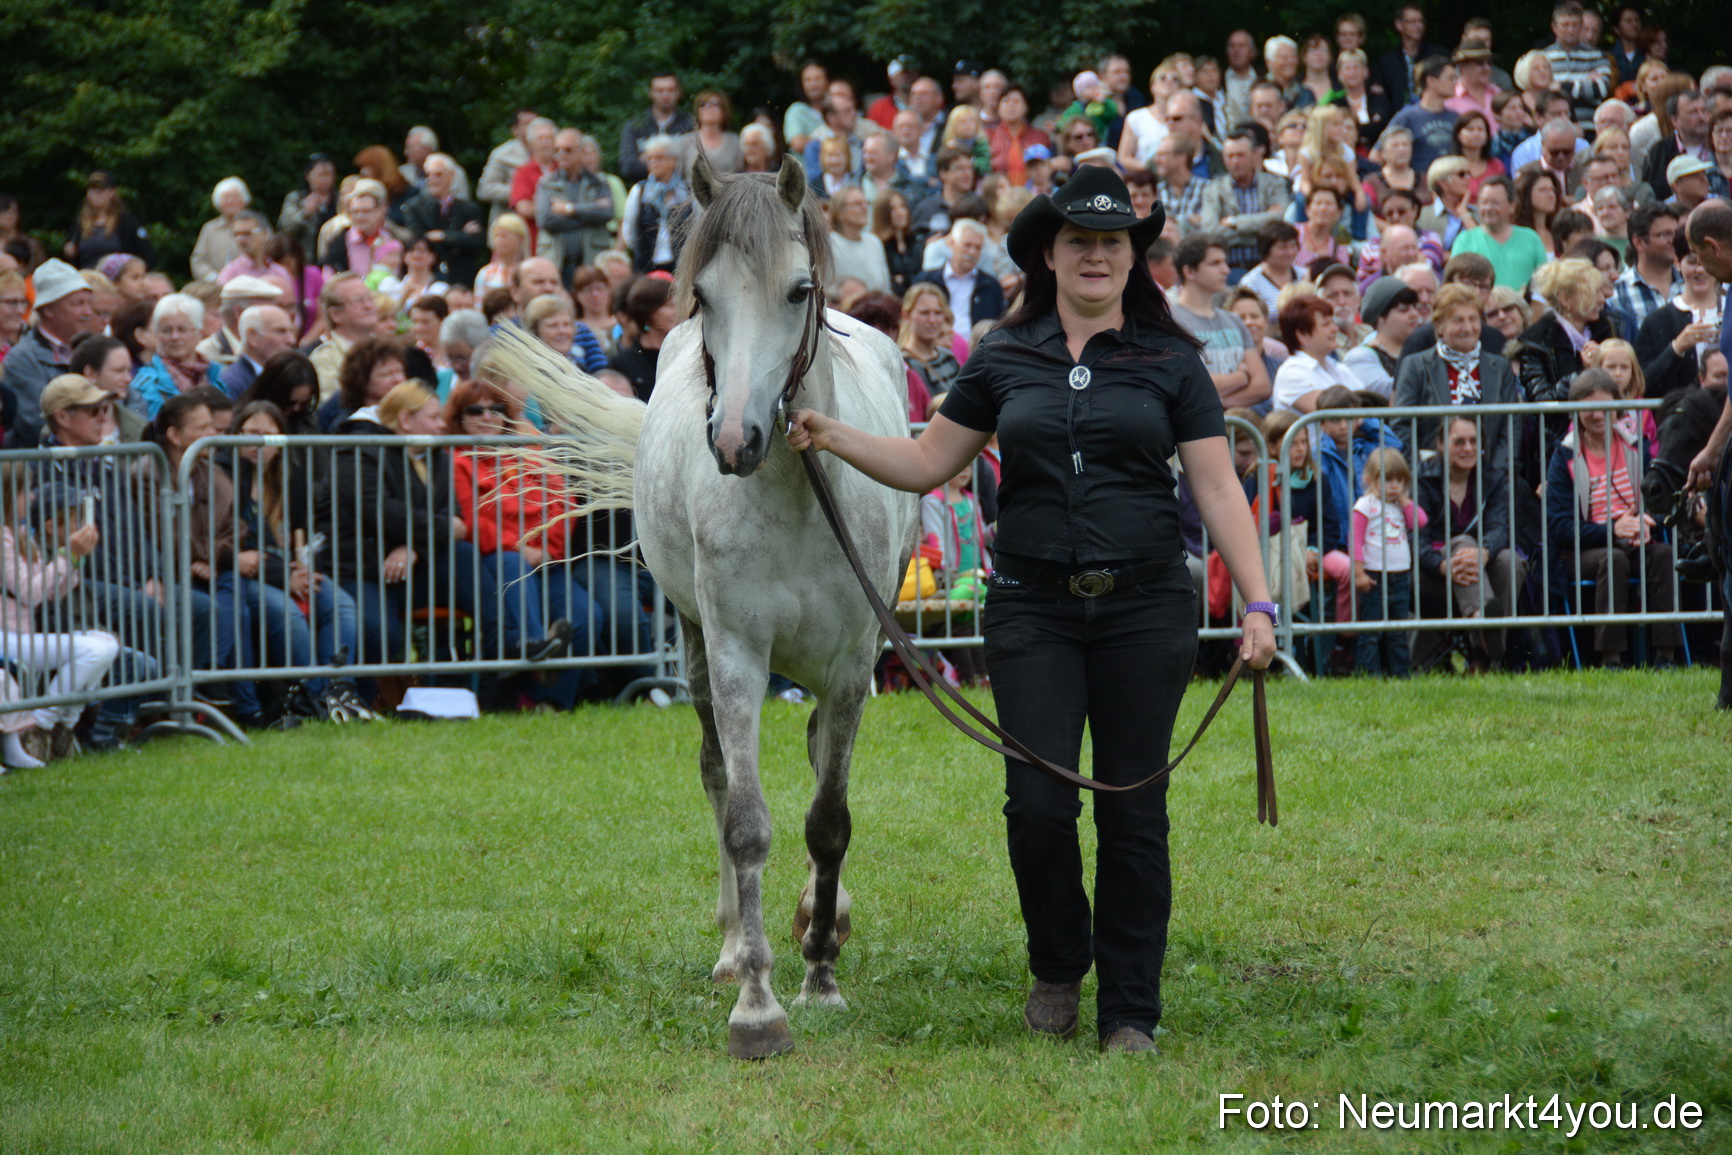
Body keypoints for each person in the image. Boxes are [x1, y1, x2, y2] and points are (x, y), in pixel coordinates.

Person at [787, 165, 1274, 1055]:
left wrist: (1258, 600)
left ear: (1133, 257)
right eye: (1078, 241)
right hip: (1031, 610)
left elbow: (1215, 483)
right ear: (1047, 255)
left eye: (1113, 241)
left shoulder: (1171, 361)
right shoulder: (1004, 356)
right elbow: (928, 458)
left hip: (1146, 607)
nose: (1096, 254)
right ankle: (1058, 964)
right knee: (1037, 805)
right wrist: (832, 434)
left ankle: (1131, 1009)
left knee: (1135, 810)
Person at [325, 378, 568, 668]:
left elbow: (454, 519)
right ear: (405, 419)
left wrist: (414, 547)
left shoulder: (437, 458)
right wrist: (427, 535)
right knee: (380, 633)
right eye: (433, 418)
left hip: (413, 566)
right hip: (365, 568)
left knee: (462, 555)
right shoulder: (360, 450)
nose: (441, 426)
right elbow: (381, 512)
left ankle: (507, 644)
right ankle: (359, 698)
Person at [1545, 369, 1682, 666]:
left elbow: (1661, 504)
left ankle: (1666, 656)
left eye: (1604, 407)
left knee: (1662, 554)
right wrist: (1611, 529)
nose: (1597, 415)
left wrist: (1649, 523)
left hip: (1632, 540)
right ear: (1575, 411)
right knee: (1613, 558)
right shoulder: (1563, 456)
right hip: (1581, 550)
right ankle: (1612, 659)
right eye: (1587, 408)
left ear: (1617, 409)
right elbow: (1560, 527)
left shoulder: (1637, 447)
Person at [0, 460, 122, 767]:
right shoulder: (3, 539)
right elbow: (30, 592)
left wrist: (75, 560)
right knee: (93, 650)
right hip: (6, 638)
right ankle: (40, 726)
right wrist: (68, 556)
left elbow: (52, 593)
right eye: (24, 491)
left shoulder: (21, 536)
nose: (31, 497)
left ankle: (63, 726)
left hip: (22, 636)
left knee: (106, 643)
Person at [1414, 415, 1524, 666]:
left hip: (1476, 565)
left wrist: (1483, 552)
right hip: (1432, 571)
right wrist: (1443, 566)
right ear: (1440, 444)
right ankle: (1482, 632)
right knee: (1463, 542)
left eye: (1474, 441)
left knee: (1510, 562)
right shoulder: (1422, 478)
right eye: (1459, 442)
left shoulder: (1493, 477)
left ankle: (1485, 654)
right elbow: (1416, 539)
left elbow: (1499, 527)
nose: (1468, 449)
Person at [1392, 282, 1525, 465]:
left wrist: (1497, 473)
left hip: (1490, 478)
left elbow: (1511, 426)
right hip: (1432, 477)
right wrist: (1421, 474)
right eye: (1458, 320)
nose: (1468, 327)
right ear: (1439, 326)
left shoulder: (1500, 367)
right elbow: (1402, 427)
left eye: (1473, 319)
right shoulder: (1415, 366)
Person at [1171, 233, 1270, 408]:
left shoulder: (1234, 321)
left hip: (1233, 427)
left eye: (1224, 262)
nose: (1226, 270)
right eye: (1215, 263)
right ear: (1189, 271)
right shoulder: (1170, 322)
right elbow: (1187, 386)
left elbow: (1262, 385)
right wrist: (1241, 378)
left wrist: (1218, 406)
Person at [1, 260, 93, 445]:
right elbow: (34, 423)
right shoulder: (23, 358)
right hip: (48, 468)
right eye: (78, 304)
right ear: (49, 309)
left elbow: (128, 402)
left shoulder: (93, 349)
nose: (87, 312)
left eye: (88, 303)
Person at [1351, 447, 1424, 677]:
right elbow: (1355, 540)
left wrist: (1405, 501)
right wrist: (1359, 573)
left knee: (1397, 630)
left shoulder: (1400, 506)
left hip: (1400, 577)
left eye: (1400, 480)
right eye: (1388, 479)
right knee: (1371, 630)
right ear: (1370, 479)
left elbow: (1420, 521)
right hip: (1375, 576)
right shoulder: (1365, 504)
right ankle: (1367, 674)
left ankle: (1401, 674)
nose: (1394, 486)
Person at [1634, 229, 1724, 399]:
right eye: (1692, 262)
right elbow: (1643, 384)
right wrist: (1676, 348)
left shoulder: (1729, 309)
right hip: (1679, 417)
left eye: (1706, 262)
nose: (1700, 270)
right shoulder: (1657, 321)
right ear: (1677, 262)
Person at [1199, 129, 1291, 272]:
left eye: (1240, 155)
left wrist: (1234, 222)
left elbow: (1281, 219)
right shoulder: (1213, 190)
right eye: (1230, 156)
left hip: (1269, 266)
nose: (1235, 162)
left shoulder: (1275, 184)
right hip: (1229, 268)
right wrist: (1260, 232)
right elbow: (1211, 233)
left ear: (1254, 155)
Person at [129, 294, 223, 417]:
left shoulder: (217, 373)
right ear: (157, 335)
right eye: (167, 330)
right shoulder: (145, 383)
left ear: (198, 334)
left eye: (182, 329)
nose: (174, 337)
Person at [400, 154, 485, 290]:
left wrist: (443, 235)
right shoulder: (413, 206)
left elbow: (477, 242)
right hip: (429, 277)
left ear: (451, 176)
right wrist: (460, 235)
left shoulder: (468, 208)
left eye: (438, 175)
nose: (433, 179)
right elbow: (418, 239)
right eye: (428, 175)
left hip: (461, 276)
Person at [1452, 176, 1551, 289]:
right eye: (1484, 202)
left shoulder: (1531, 238)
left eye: (1495, 202)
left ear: (1512, 206)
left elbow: (1545, 283)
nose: (1488, 208)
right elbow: (1456, 285)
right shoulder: (1465, 240)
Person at [912, 221, 1003, 339]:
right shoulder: (926, 281)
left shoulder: (991, 286)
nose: (972, 252)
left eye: (978, 248)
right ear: (952, 243)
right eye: (967, 245)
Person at [1272, 295, 1360, 412]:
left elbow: (1367, 402)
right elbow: (1335, 415)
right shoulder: (1291, 373)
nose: (1335, 328)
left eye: (1332, 322)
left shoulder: (1338, 367)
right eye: (1326, 324)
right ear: (1302, 335)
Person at [1342, 276, 1422, 399]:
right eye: (1404, 310)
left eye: (1415, 307)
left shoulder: (1422, 350)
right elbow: (1389, 391)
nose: (1414, 314)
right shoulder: (1360, 357)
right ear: (1381, 317)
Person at [63, 171, 154, 271]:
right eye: (92, 189)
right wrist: (69, 253)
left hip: (115, 281)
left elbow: (147, 256)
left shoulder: (126, 222)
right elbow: (70, 260)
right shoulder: (79, 223)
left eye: (101, 189)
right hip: (85, 277)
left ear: (112, 192)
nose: (96, 194)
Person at [1611, 203, 1683, 327]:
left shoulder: (1690, 282)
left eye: (1676, 233)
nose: (1673, 240)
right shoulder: (1618, 292)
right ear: (1639, 242)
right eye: (1664, 234)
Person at [1389, 56, 1461, 178]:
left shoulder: (1456, 117)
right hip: (1419, 188)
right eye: (1450, 78)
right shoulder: (1407, 117)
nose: (1455, 83)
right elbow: (1378, 154)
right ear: (1431, 81)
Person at [620, 72, 696, 185]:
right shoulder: (635, 126)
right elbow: (628, 167)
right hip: (644, 196)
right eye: (660, 90)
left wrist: (647, 158)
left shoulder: (689, 125)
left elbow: (694, 165)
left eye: (670, 90)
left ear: (678, 93)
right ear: (651, 93)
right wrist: (671, 160)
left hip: (683, 195)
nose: (665, 94)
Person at [1373, 4, 1448, 110]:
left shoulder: (1438, 56)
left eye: (1421, 21)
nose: (1418, 26)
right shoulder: (1387, 62)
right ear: (1399, 25)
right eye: (1413, 22)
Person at [477, 109, 538, 227]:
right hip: (510, 225)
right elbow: (485, 189)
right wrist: (521, 193)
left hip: (541, 225)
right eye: (527, 123)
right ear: (515, 130)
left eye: (536, 123)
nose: (533, 127)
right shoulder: (502, 154)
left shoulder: (551, 154)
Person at [827, 187, 890, 296]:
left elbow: (885, 286)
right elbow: (823, 286)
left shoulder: (874, 242)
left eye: (866, 203)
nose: (864, 208)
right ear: (839, 212)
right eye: (857, 204)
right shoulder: (828, 244)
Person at [524, 293, 606, 375]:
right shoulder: (529, 369)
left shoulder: (579, 366)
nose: (562, 331)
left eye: (566, 324)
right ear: (535, 331)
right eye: (553, 325)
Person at [190, 177, 250, 283]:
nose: (231, 201)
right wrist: (214, 278)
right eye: (226, 198)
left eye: (235, 197)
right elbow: (198, 260)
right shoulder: (209, 229)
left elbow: (267, 256)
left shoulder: (257, 226)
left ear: (244, 200)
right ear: (218, 203)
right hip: (214, 288)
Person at [1239, 221, 1300, 316]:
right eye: (1283, 247)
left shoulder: (1305, 275)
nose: (1290, 252)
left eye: (1293, 245)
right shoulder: (1251, 283)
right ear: (1266, 249)